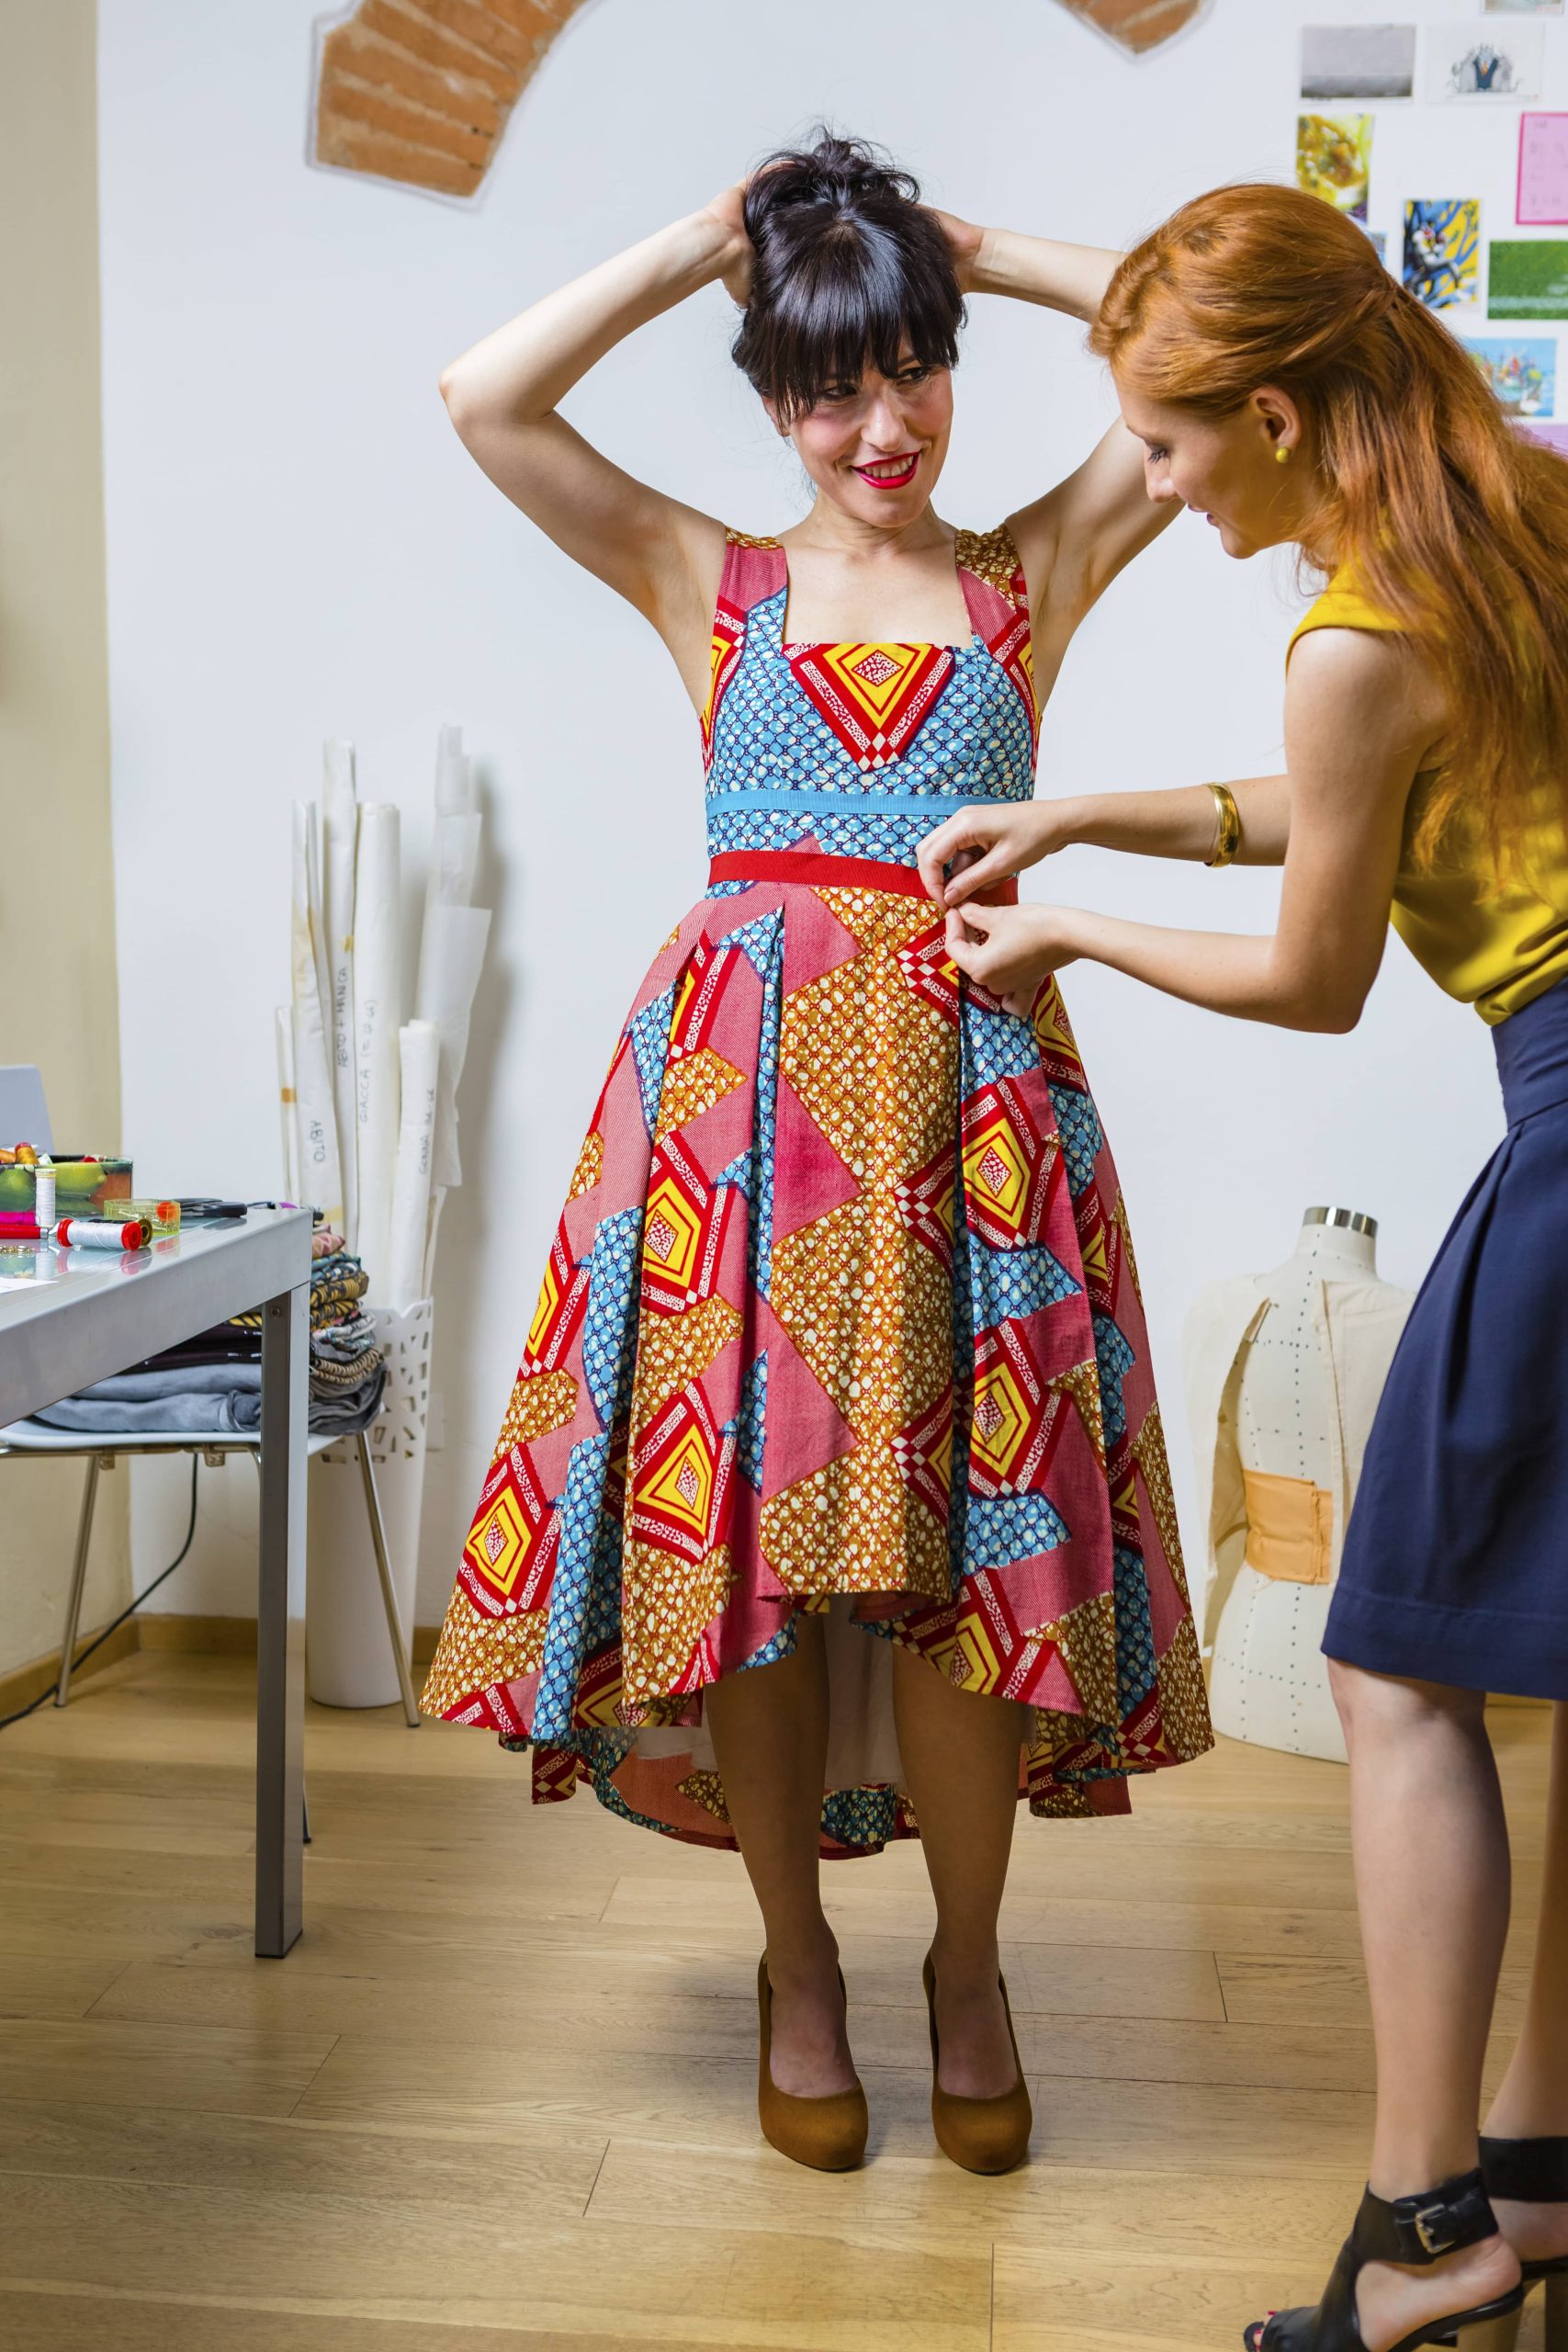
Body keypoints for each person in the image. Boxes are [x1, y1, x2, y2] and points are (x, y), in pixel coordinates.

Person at [420, 133, 1213, 2177]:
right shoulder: (716, 579)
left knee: (964, 1571)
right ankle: (794, 1965)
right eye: (829, 387)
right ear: (768, 395)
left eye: (913, 368)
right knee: (760, 1573)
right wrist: (704, 244)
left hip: (978, 1133)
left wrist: (980, 251)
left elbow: (1212, 340)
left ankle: (965, 1964)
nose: (880, 424)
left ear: (951, 357)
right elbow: (483, 397)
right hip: (738, 1126)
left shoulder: (1032, 566)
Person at [919, 180, 1568, 2350]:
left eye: (1176, 446)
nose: (1163, 484)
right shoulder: (1513, 515)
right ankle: (1544, 2158)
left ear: (1275, 414)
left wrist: (1067, 923)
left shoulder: (1352, 625)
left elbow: (1314, 976)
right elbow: (1345, 791)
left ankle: (1423, 2229)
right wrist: (1088, 810)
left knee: (1394, 1663)